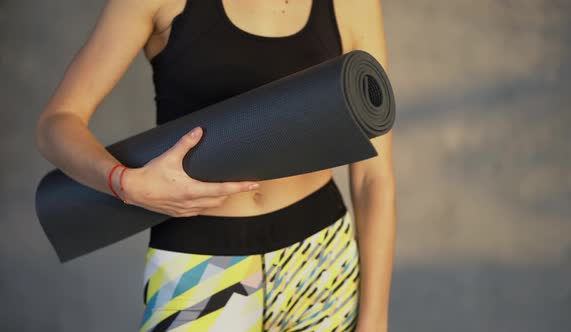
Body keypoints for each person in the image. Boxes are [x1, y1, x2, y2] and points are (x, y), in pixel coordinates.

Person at [35, 0, 396, 331]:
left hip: (322, 256)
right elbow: (57, 123)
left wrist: (375, 319)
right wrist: (125, 183)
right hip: (200, 264)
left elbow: (373, 177)